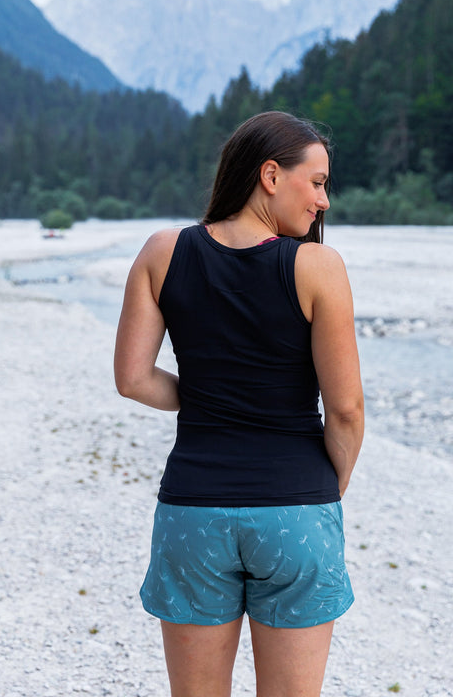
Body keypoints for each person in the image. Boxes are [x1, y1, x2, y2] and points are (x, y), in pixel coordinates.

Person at [114, 111, 364, 697]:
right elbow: (346, 409)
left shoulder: (163, 250)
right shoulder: (316, 267)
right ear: (271, 175)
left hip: (193, 508)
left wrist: (204, 398)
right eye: (319, 181)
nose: (324, 202)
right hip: (294, 507)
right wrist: (329, 486)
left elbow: (132, 378)